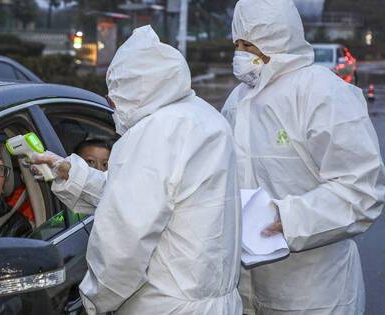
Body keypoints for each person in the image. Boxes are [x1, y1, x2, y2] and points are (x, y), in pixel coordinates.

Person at [31, 25, 242, 314]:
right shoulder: (204, 117)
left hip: (163, 306)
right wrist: (73, 174)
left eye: (114, 95)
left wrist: (94, 300)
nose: (112, 104)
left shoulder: (154, 132)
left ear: (136, 91)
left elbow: (124, 242)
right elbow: (153, 199)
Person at [222, 0, 385, 314]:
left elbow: (361, 192)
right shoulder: (238, 99)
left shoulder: (323, 93)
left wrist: (289, 219)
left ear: (278, 40)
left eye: (250, 45)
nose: (241, 54)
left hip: (314, 292)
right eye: (237, 44)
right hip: (244, 288)